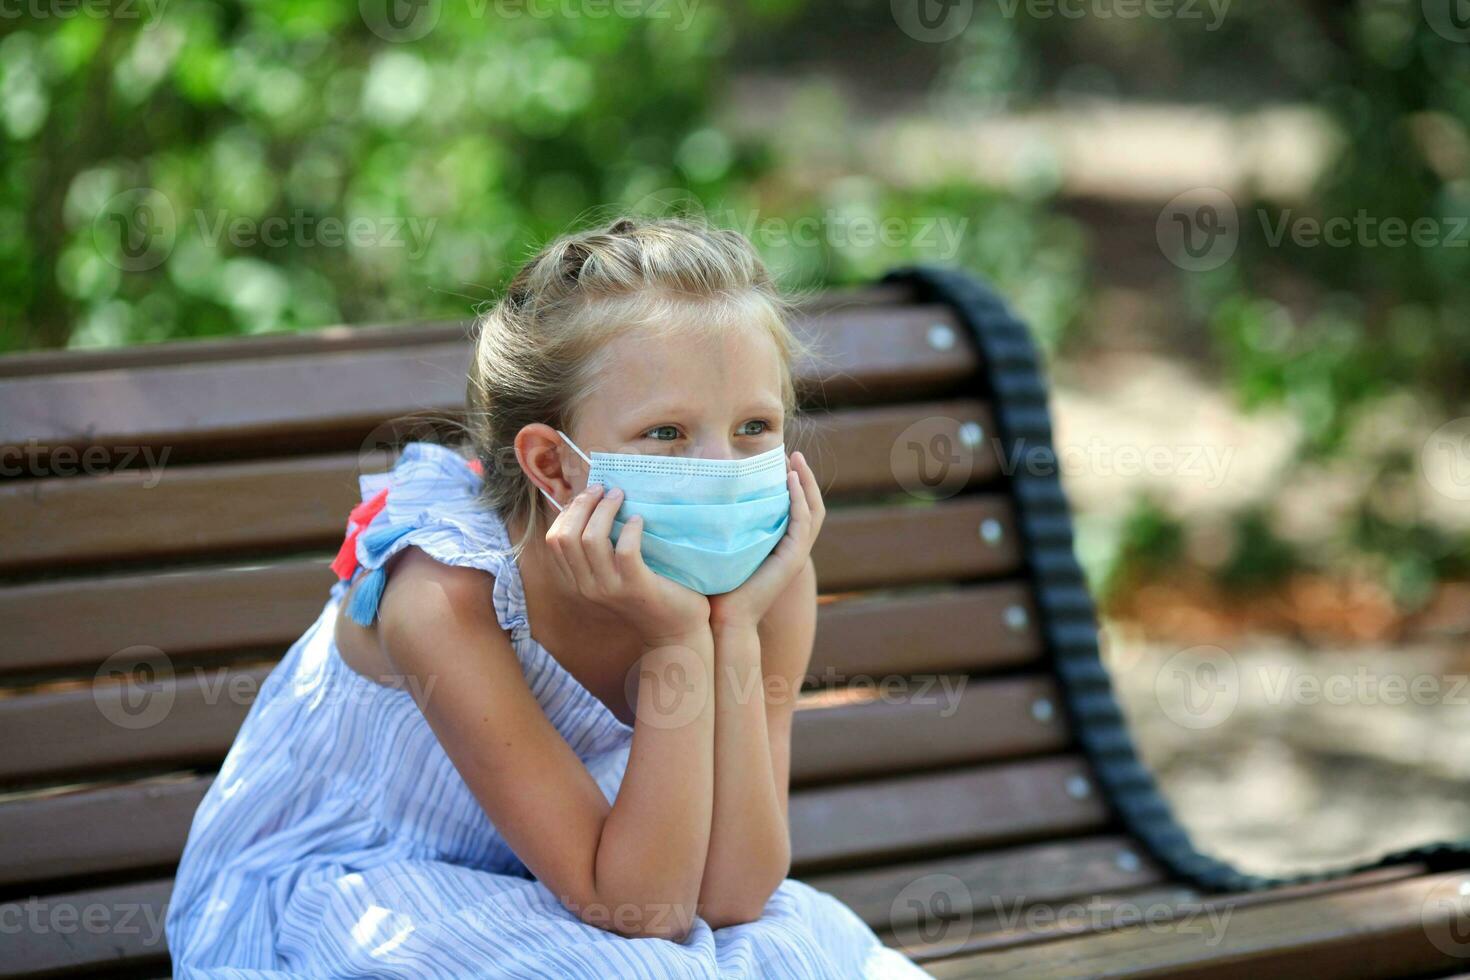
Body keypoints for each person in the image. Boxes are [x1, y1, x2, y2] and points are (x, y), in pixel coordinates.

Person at [165, 216, 929, 978]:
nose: (721, 468)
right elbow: (645, 915)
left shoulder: (765, 583)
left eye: (754, 426)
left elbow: (730, 895)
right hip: (345, 889)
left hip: (588, 883)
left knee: (794, 950)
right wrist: (676, 644)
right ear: (554, 468)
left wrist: (727, 632)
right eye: (665, 433)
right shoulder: (444, 595)